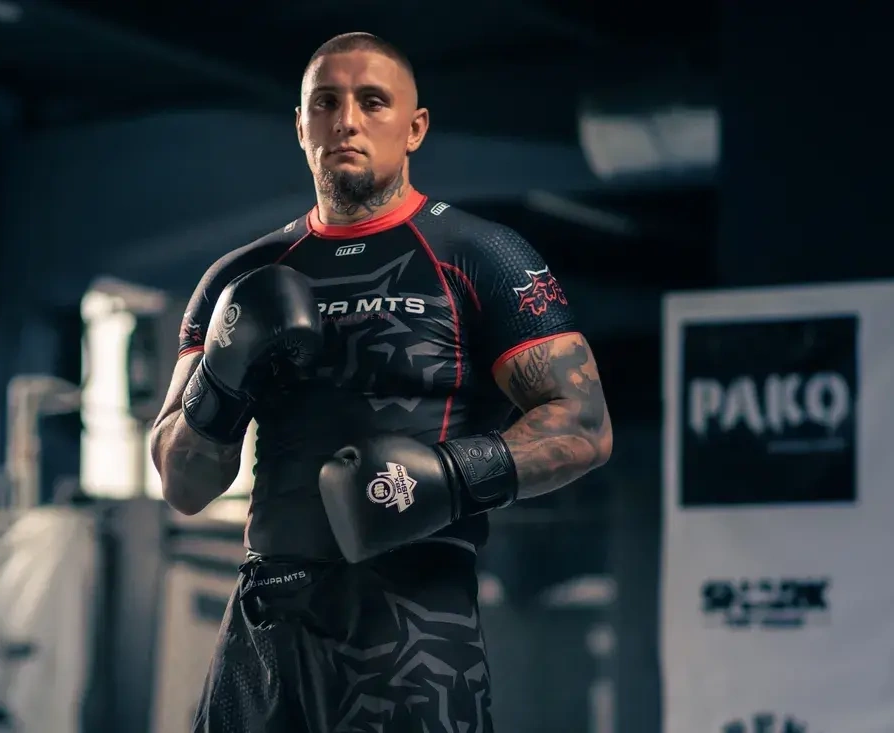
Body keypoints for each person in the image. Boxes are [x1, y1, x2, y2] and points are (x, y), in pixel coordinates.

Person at [150, 31, 613, 733]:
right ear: (300, 125)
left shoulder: (480, 256)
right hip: (267, 620)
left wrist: (448, 476)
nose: (347, 121)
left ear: (414, 127)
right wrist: (221, 377)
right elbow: (182, 483)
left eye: (372, 101)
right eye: (325, 103)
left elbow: (584, 423)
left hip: (414, 620)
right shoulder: (239, 278)